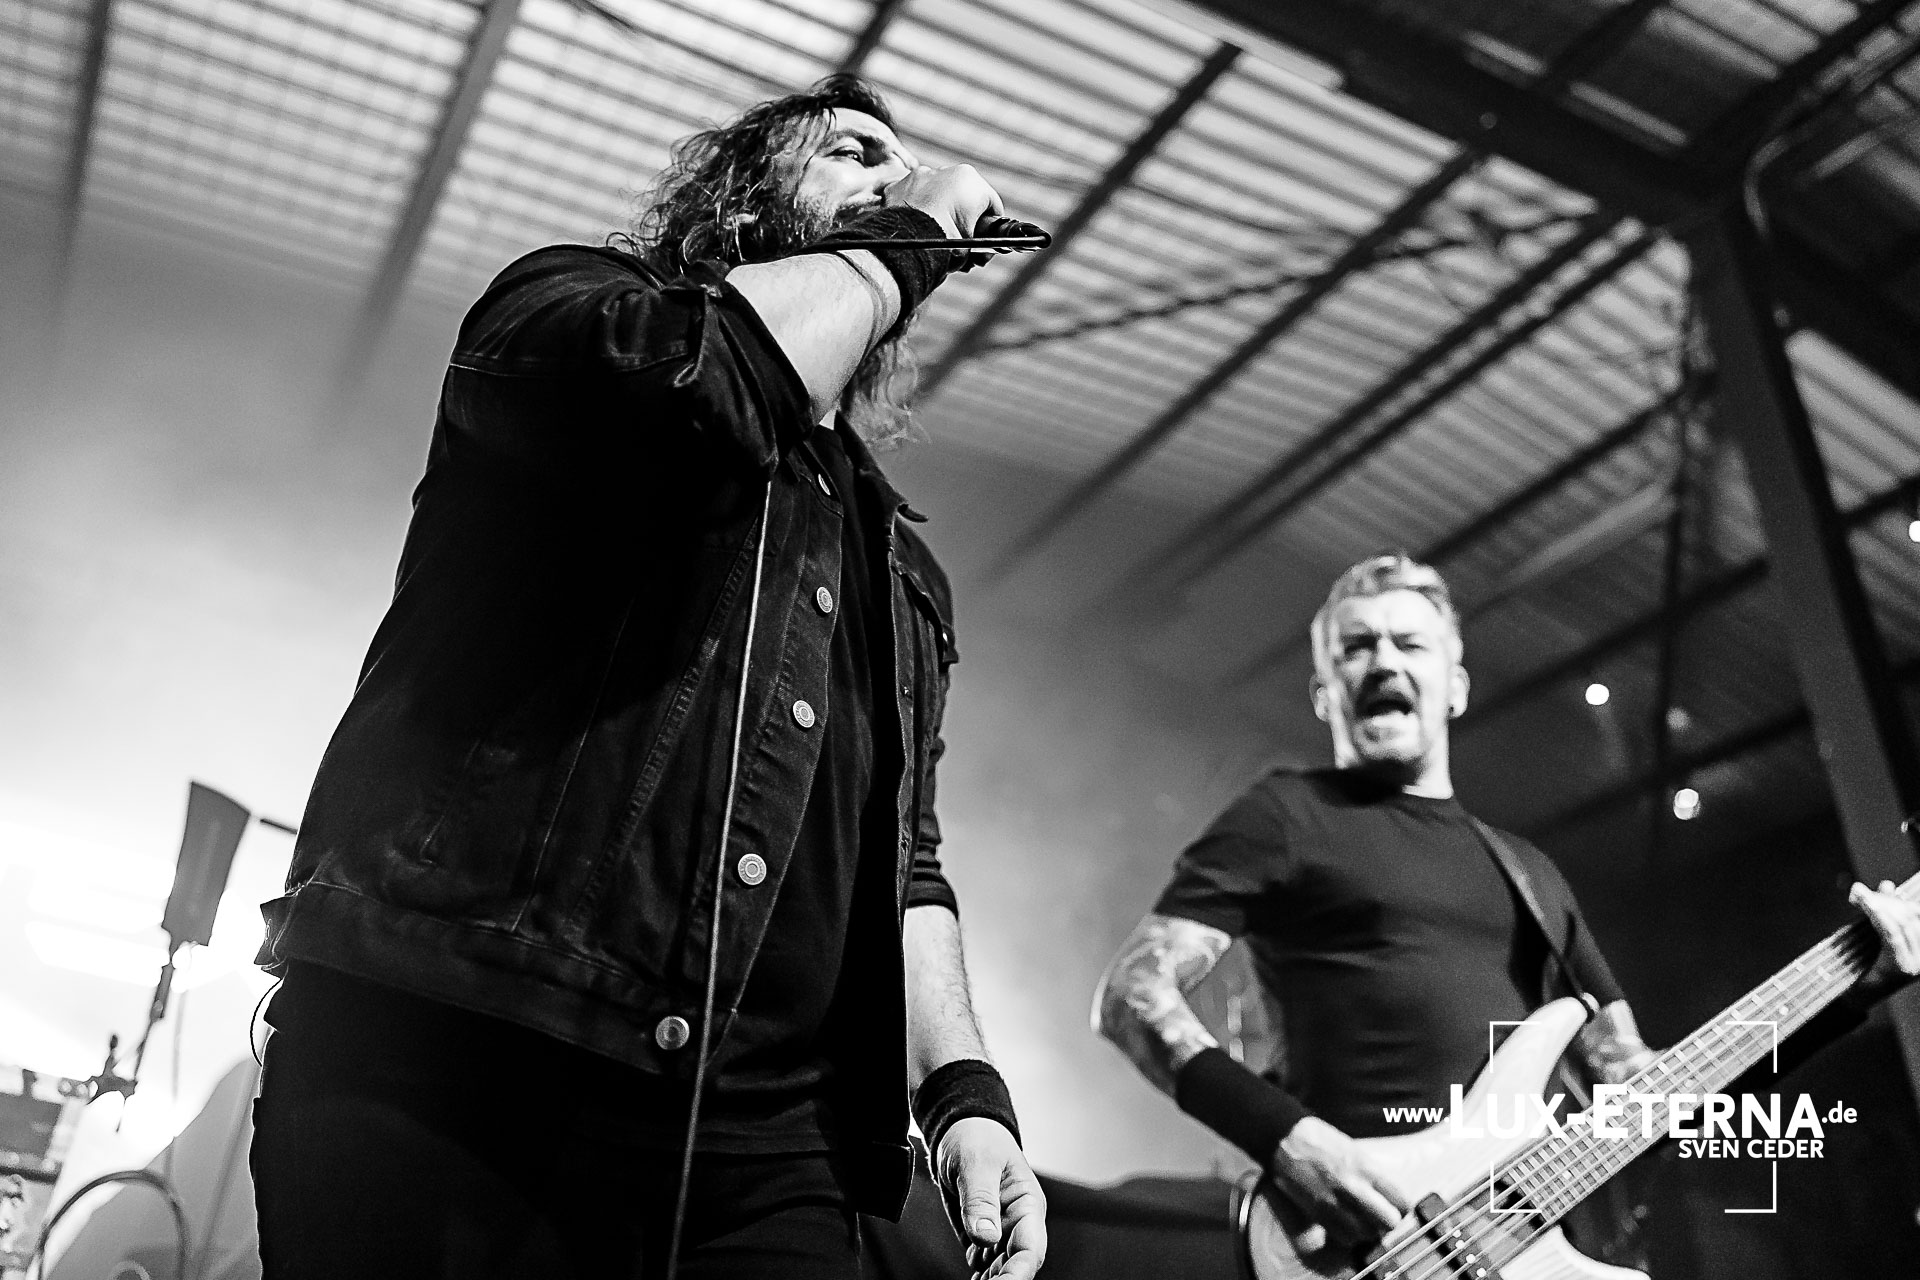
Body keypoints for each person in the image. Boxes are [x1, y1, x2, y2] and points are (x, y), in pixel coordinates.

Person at [249, 74, 1044, 1280]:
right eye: (855, 153)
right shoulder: (577, 314)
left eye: (905, 168)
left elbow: (903, 861)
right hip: (464, 1059)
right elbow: (712, 387)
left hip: (769, 1148)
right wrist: (916, 230)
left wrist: (965, 1094)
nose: (897, 179)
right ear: (742, 197)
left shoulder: (902, 568)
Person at [1093, 551, 1920, 1257]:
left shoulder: (1530, 872)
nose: (1382, 661)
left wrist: (1855, 991)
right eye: (1356, 647)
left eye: (1409, 643)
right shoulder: (1286, 815)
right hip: (1362, 1250)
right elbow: (1133, 993)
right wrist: (1290, 1140)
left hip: (1515, 1252)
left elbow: (1648, 1100)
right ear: (1324, 693)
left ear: (1454, 686)